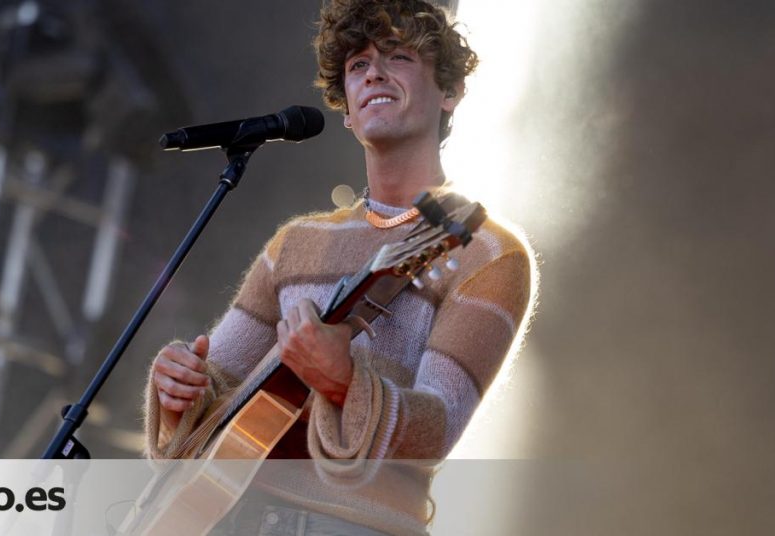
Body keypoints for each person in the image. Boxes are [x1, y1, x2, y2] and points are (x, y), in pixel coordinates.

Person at [143, 1, 534, 534]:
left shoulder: (489, 253)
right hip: (220, 518)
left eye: (397, 56)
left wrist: (345, 382)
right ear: (346, 110)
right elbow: (217, 388)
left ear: (450, 91)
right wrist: (178, 387)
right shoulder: (295, 243)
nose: (373, 71)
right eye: (357, 65)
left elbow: (436, 432)